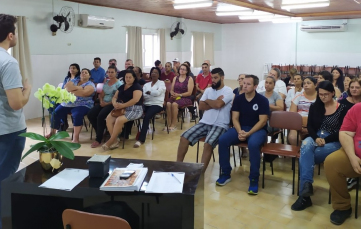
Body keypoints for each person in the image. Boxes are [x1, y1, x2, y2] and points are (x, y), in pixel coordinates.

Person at [291, 81, 352, 211]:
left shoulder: (342, 108)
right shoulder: (315, 107)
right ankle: (306, 186)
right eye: (320, 95)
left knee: (305, 156)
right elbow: (310, 127)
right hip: (316, 136)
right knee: (306, 144)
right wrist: (316, 138)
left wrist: (326, 140)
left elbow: (342, 131)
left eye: (325, 94)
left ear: (332, 94)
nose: (322, 97)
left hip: (334, 140)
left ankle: (304, 196)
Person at [0, 14, 32, 228]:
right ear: (10, 36)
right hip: (8, 131)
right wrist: (27, 89)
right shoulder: (8, 62)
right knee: (6, 182)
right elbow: (16, 103)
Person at [217, 75, 269, 195]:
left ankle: (254, 178)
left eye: (248, 84)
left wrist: (249, 133)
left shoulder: (262, 100)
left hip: (257, 130)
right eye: (244, 83)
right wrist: (240, 131)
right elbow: (235, 118)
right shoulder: (239, 99)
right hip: (241, 128)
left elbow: (262, 121)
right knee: (223, 140)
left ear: (255, 86)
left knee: (253, 144)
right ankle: (225, 173)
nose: (244, 86)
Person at [176, 68, 233, 171]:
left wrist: (209, 101)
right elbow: (201, 106)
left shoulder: (228, 90)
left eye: (216, 78)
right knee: (184, 137)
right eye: (212, 78)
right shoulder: (208, 90)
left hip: (220, 124)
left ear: (222, 78)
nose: (213, 80)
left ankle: (200, 173)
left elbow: (219, 104)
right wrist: (214, 102)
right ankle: (178, 166)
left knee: (208, 143)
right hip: (205, 122)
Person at [324, 102, 361, 226]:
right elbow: (345, 133)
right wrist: (352, 157)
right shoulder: (357, 108)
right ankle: (342, 206)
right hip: (355, 154)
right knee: (332, 162)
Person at [46, 69, 96, 143]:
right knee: (55, 112)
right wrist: (80, 88)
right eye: (82, 72)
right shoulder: (74, 80)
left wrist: (72, 90)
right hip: (67, 103)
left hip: (83, 104)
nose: (83, 74)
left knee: (77, 115)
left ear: (89, 75)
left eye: (86, 73)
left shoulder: (90, 84)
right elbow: (66, 88)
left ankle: (75, 138)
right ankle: (52, 133)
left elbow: (85, 93)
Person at [103, 69, 143, 150]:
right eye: (126, 77)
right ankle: (115, 141)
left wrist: (122, 105)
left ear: (134, 78)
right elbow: (115, 97)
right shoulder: (121, 86)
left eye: (130, 77)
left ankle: (111, 141)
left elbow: (135, 100)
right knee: (108, 119)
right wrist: (114, 103)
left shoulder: (137, 87)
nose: (127, 79)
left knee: (119, 120)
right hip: (120, 108)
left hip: (134, 109)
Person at [87, 66, 122, 148]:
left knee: (100, 116)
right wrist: (101, 100)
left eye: (112, 72)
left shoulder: (119, 84)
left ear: (116, 73)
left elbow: (118, 98)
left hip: (112, 104)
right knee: (90, 114)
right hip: (103, 102)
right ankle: (101, 131)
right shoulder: (106, 82)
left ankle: (98, 139)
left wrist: (106, 104)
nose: (110, 74)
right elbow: (101, 94)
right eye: (108, 72)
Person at [134, 67, 166, 148]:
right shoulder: (146, 84)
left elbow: (158, 93)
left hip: (157, 104)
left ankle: (141, 139)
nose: (154, 74)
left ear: (159, 75)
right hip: (146, 104)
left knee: (147, 117)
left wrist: (150, 93)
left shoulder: (161, 83)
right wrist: (151, 93)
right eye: (152, 72)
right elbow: (143, 95)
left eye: (156, 72)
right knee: (134, 111)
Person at [288, 76, 317, 146]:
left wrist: (309, 128)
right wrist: (299, 127)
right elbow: (292, 114)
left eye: (308, 83)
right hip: (298, 124)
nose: (306, 85)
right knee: (292, 138)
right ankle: (300, 154)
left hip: (315, 125)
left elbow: (321, 115)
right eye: (304, 83)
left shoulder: (320, 97)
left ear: (315, 85)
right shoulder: (298, 95)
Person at [165, 64, 194, 131]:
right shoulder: (176, 78)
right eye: (181, 69)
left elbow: (189, 92)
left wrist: (179, 95)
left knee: (174, 104)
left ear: (187, 71)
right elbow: (171, 90)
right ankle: (169, 123)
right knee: (168, 104)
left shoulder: (189, 79)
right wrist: (172, 94)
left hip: (185, 97)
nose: (182, 70)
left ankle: (173, 124)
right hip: (175, 96)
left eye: (184, 69)